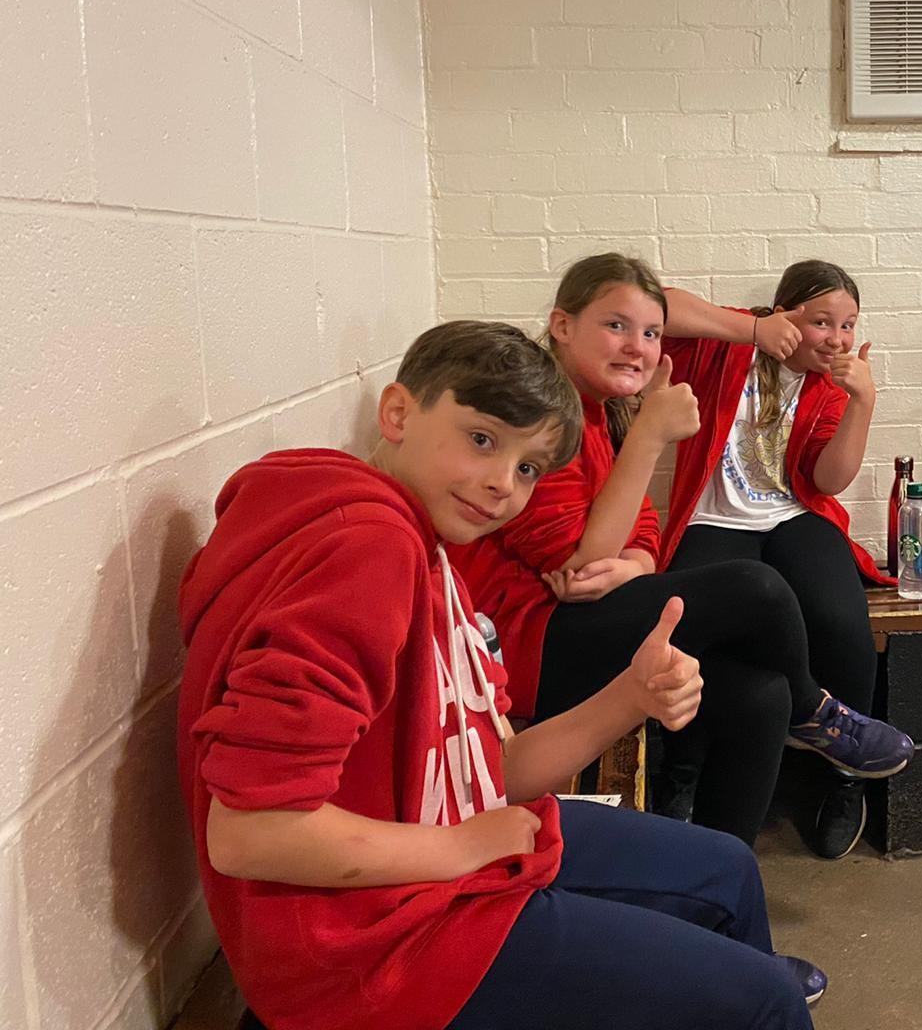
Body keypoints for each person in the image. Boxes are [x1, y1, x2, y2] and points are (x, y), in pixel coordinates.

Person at [177, 320, 821, 1030]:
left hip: (431, 869)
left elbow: (492, 772)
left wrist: (631, 695)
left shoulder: (426, 545)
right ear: (398, 413)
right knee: (768, 1001)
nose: (500, 485)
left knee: (727, 872)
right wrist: (457, 847)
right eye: (482, 439)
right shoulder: (367, 551)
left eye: (528, 469)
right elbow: (249, 833)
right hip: (371, 952)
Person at [452, 255, 912, 847]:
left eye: (648, 334)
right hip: (530, 643)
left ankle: (721, 864)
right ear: (562, 326)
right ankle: (809, 713)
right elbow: (581, 563)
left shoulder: (597, 409)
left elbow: (642, 520)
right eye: (616, 326)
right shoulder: (546, 415)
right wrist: (653, 430)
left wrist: (637, 563)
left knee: (763, 696)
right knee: (756, 590)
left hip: (583, 615)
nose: (639, 346)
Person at [658, 261, 891, 860]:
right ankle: (681, 776)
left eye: (848, 325)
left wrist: (862, 401)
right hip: (714, 518)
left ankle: (845, 780)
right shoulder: (729, 345)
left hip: (795, 514)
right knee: (691, 628)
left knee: (841, 621)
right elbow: (655, 306)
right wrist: (753, 331)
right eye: (822, 321)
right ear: (785, 313)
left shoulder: (827, 385)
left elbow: (828, 480)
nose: (836, 338)